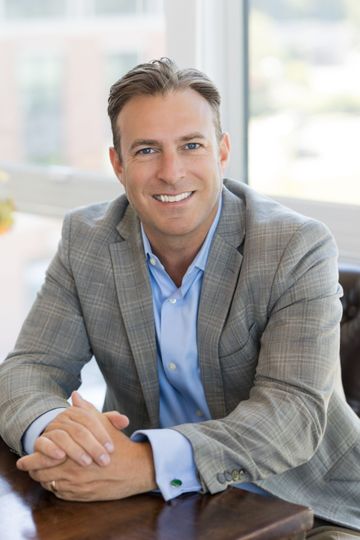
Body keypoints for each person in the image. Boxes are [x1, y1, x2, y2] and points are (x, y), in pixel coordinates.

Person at [0, 58, 359, 538]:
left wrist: (147, 463)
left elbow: (291, 415)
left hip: (305, 506)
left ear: (222, 152)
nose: (172, 172)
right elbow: (28, 369)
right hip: (155, 507)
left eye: (191, 146)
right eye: (147, 150)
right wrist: (56, 432)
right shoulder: (88, 240)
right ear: (118, 164)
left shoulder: (295, 247)